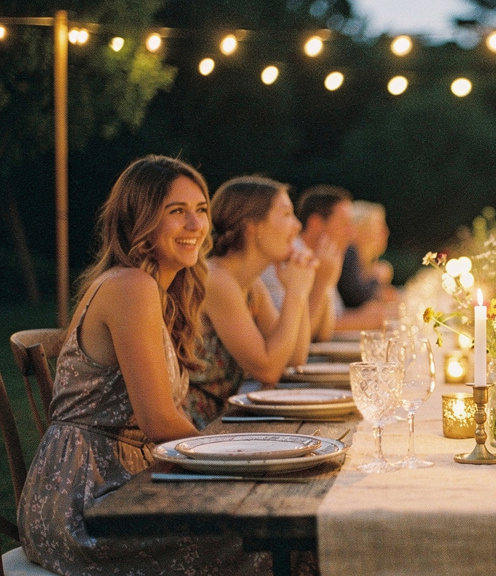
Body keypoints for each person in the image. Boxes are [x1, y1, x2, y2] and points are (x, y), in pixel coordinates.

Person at [17, 155, 269, 574]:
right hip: (85, 504)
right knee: (268, 542)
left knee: (266, 526)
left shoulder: (159, 292)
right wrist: (242, 459)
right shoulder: (131, 286)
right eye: (176, 212)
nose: (195, 224)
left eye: (201, 210)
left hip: (131, 485)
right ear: (140, 221)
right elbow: (159, 423)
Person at [184, 175, 318, 429]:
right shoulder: (216, 279)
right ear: (252, 225)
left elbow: (294, 359)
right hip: (191, 434)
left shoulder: (250, 285)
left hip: (221, 424)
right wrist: (296, 295)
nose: (297, 226)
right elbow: (267, 370)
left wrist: (297, 291)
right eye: (287, 214)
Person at [261, 185, 388, 336]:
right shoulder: (283, 260)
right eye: (344, 224)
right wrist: (363, 319)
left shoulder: (321, 259)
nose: (352, 233)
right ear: (316, 224)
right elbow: (296, 334)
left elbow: (324, 328)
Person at [338, 200, 398, 308]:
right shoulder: (349, 254)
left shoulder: (361, 257)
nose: (386, 232)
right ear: (360, 229)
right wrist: (377, 278)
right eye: (379, 226)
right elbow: (357, 298)